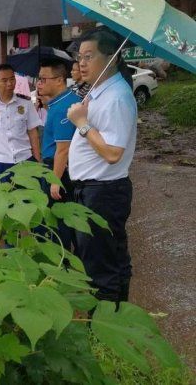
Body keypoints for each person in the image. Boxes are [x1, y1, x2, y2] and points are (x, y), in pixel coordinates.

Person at [66, 28, 137, 305]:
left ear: (112, 58)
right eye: (80, 57)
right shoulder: (100, 92)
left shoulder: (117, 97)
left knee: (101, 267)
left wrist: (82, 124)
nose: (81, 63)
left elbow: (112, 153)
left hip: (103, 193)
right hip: (95, 190)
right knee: (110, 258)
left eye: (89, 56)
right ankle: (117, 318)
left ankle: (104, 330)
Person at [36, 59, 82, 250]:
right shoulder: (61, 101)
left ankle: (63, 263)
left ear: (59, 80)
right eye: (38, 79)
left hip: (58, 168)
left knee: (59, 218)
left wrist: (55, 180)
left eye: (43, 79)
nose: (39, 84)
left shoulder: (64, 107)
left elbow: (63, 149)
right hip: (58, 166)